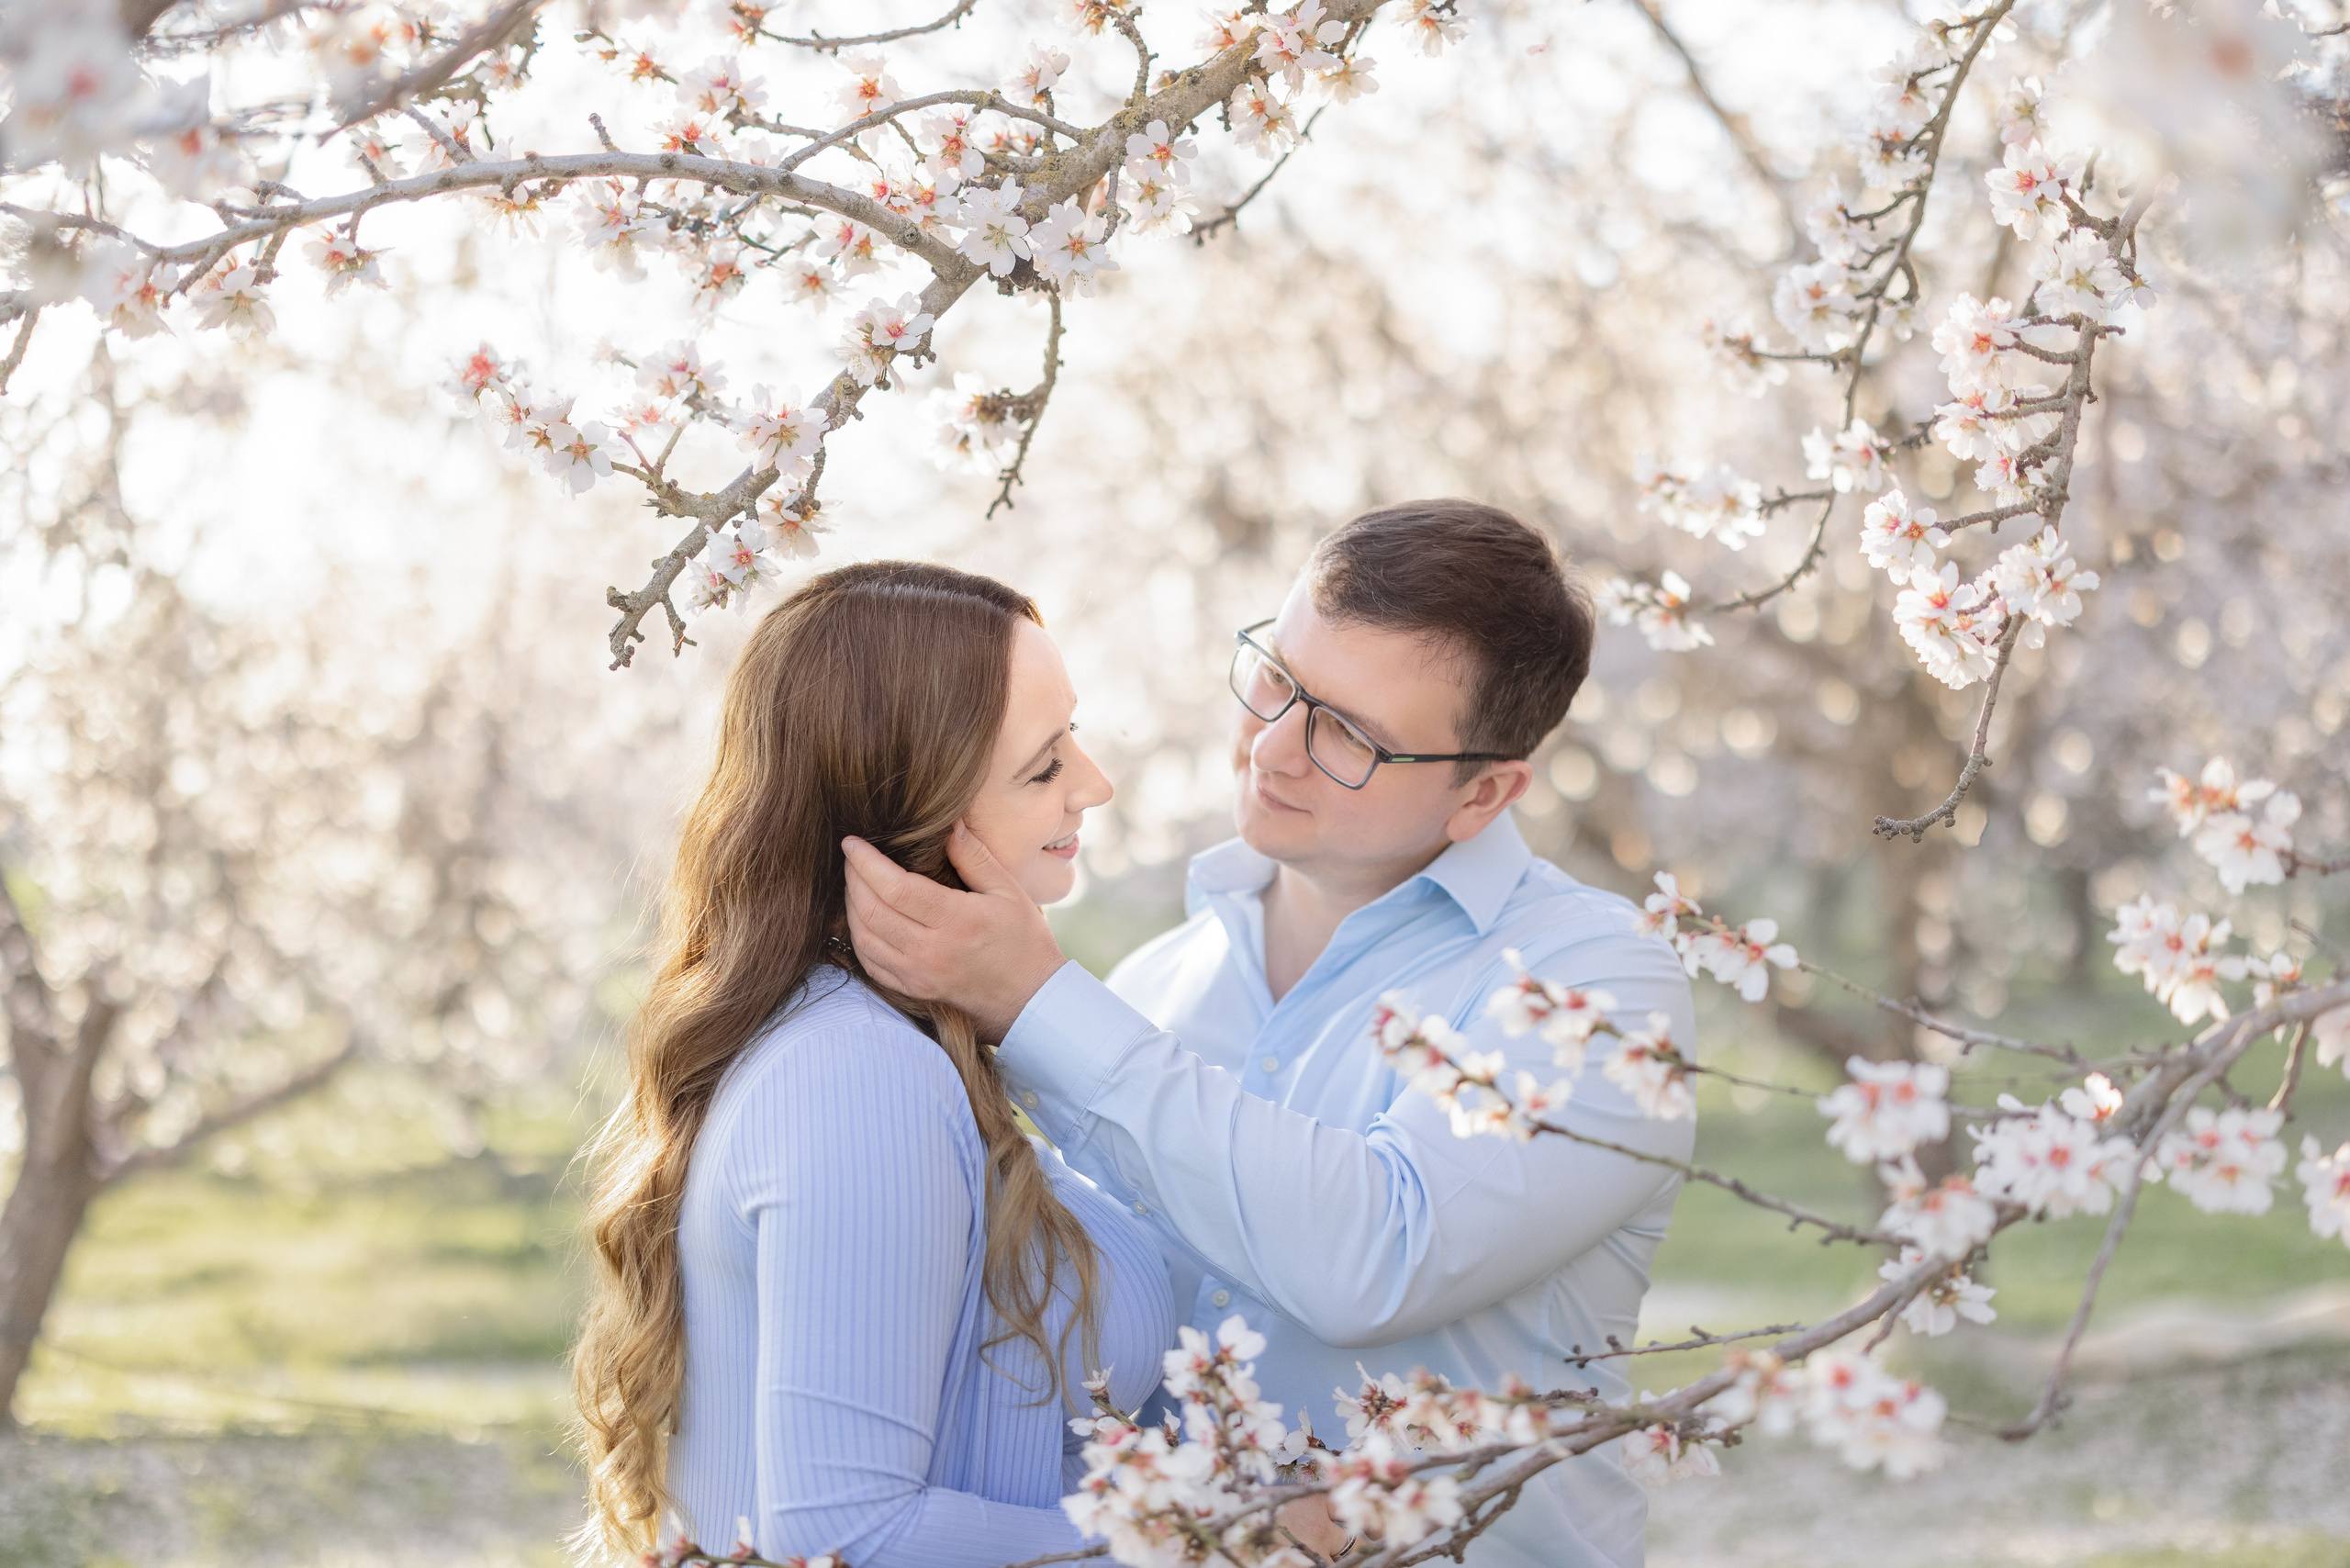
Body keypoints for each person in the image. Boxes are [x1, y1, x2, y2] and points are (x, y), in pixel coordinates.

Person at [845, 500, 1697, 1568]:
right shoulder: (1155, 987)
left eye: (1349, 732)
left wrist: (1034, 1003)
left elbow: (1380, 1257)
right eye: (1278, 679)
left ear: (1482, 792)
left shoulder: (1590, 987)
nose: (1274, 749)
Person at [569, 562, 1189, 1567]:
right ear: (915, 810)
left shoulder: (906, 1045)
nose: (1096, 782)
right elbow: (849, 1535)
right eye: (1043, 765)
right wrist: (1217, 1547)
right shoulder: (855, 1078)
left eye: (1072, 734)